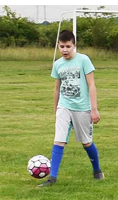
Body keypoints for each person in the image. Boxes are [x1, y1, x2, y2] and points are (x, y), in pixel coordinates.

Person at [38, 30, 102, 188]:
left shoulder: (84, 60)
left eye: (68, 46)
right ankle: (52, 178)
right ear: (58, 46)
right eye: (62, 46)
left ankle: (97, 171)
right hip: (64, 106)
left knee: (86, 143)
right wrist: (56, 109)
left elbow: (91, 85)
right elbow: (56, 89)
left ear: (74, 46)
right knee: (59, 140)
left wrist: (94, 109)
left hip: (82, 108)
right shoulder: (57, 64)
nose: (65, 50)